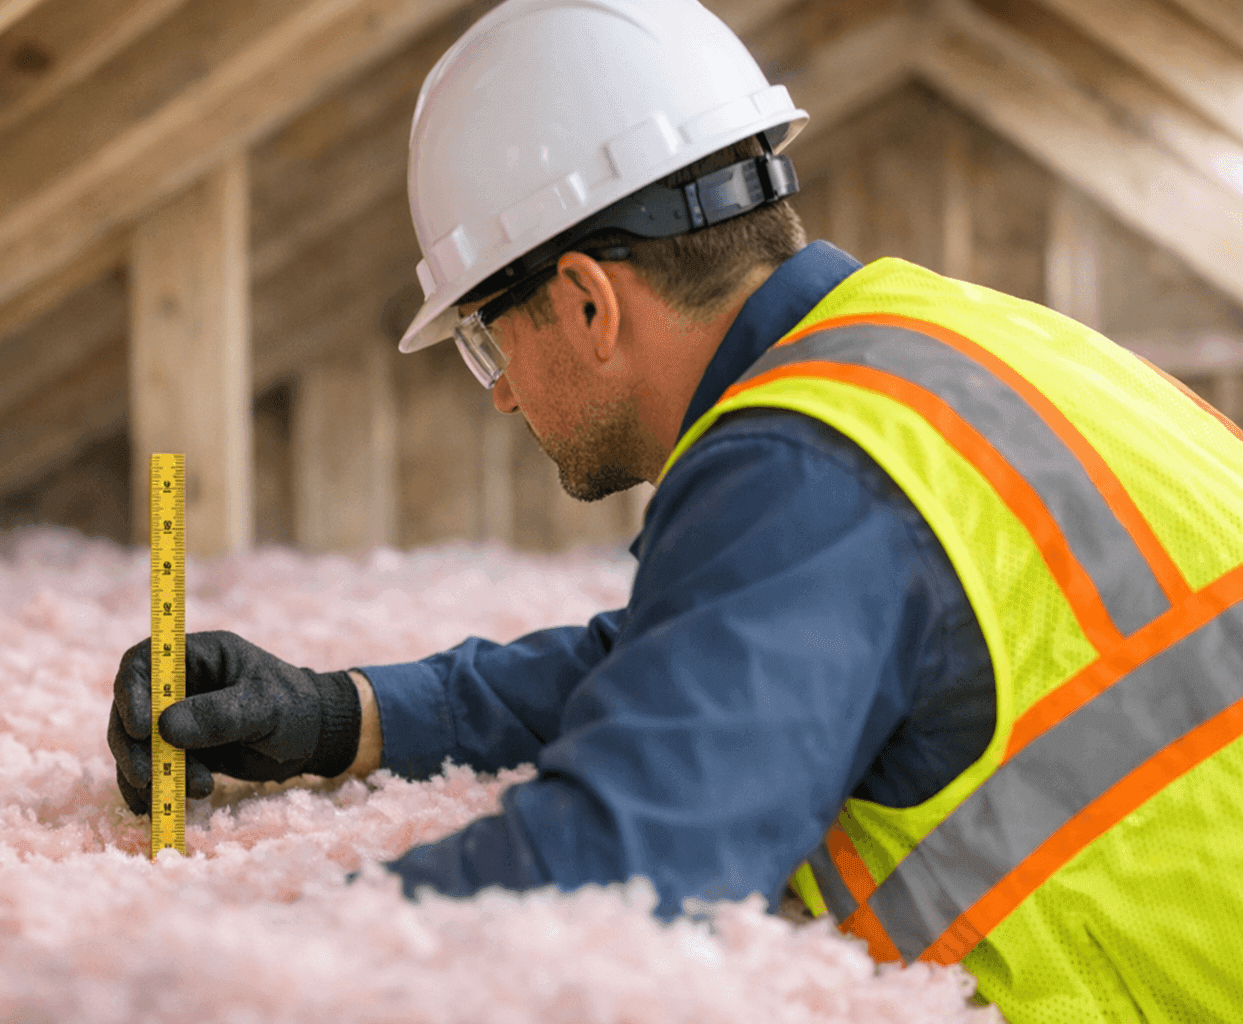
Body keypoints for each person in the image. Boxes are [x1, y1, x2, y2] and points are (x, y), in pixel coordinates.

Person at [107, 0, 1243, 1019]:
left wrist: (177, 974)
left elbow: (614, 868)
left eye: (485, 338)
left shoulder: (814, 467)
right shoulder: (951, 341)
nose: (499, 386)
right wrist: (340, 713)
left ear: (588, 302)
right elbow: (699, 661)